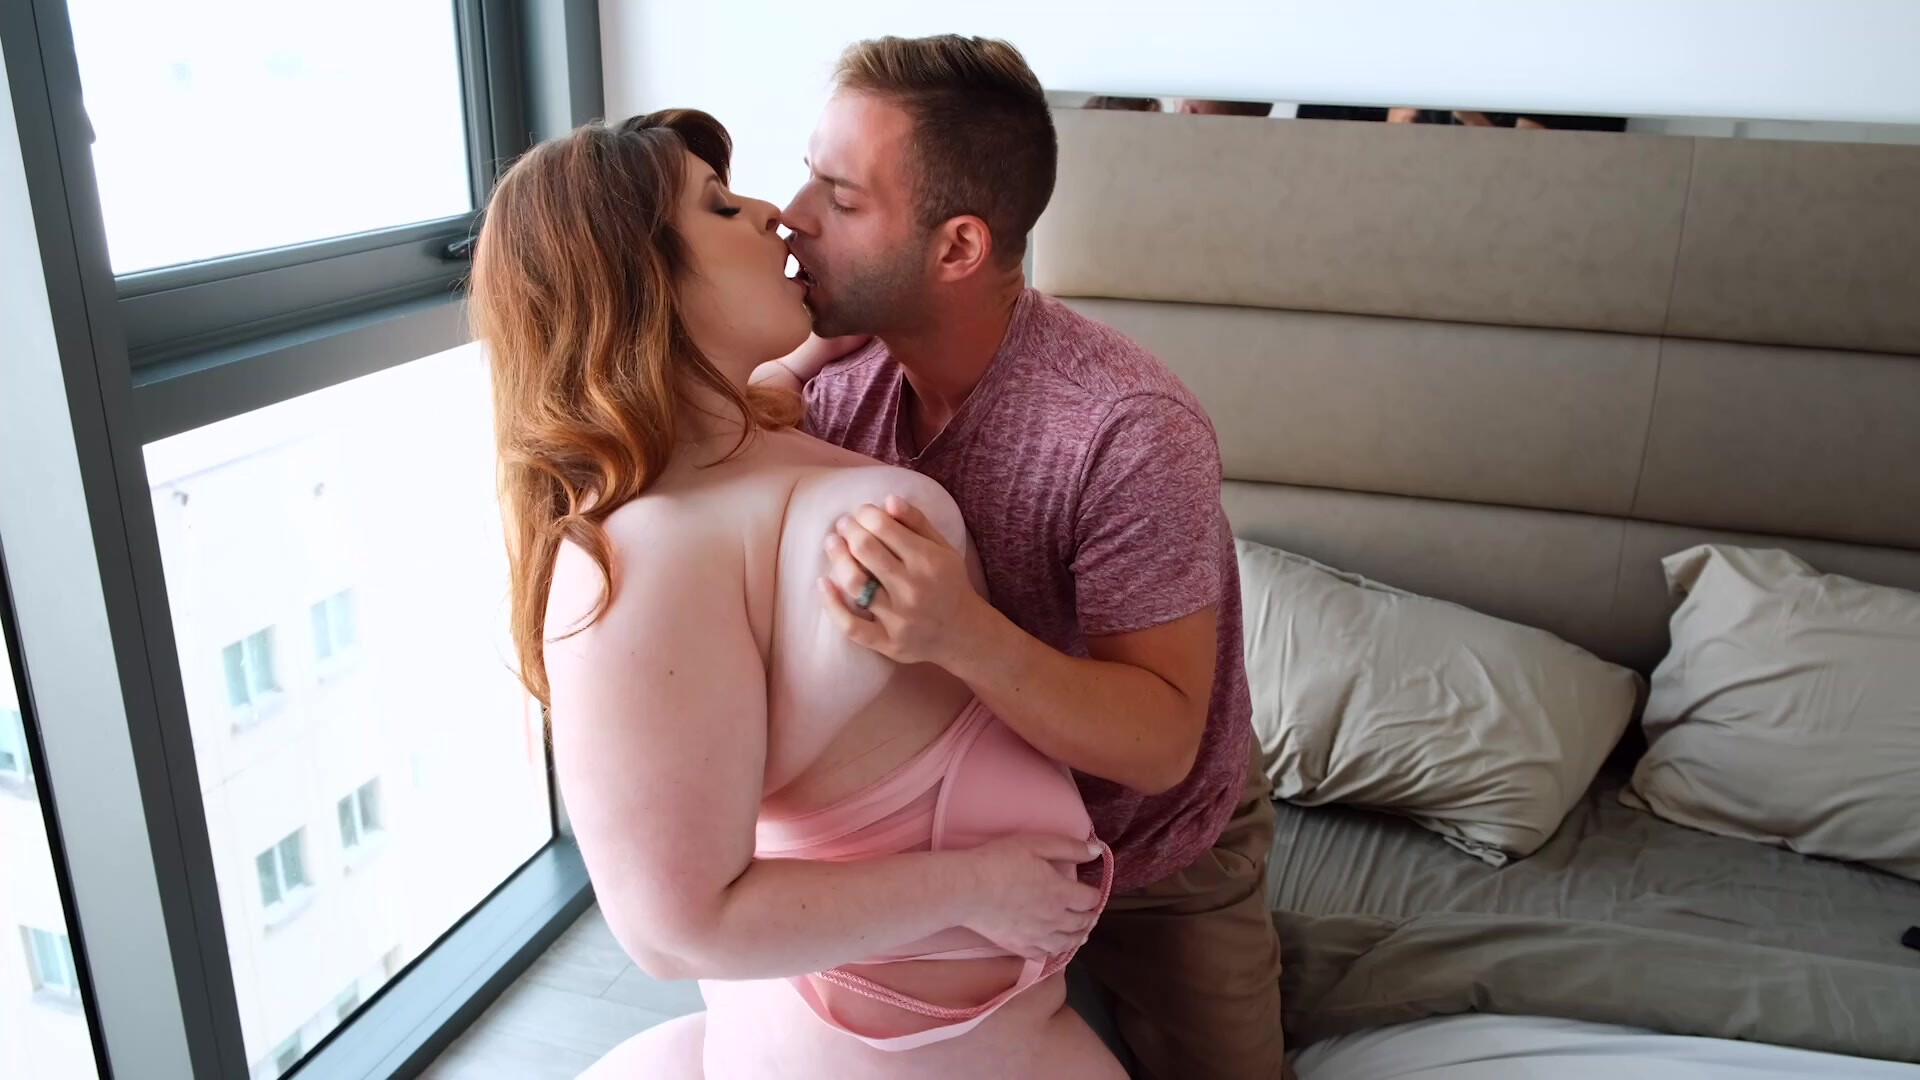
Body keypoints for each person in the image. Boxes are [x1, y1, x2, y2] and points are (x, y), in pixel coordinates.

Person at [472, 110, 1127, 1077]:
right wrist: (976, 889)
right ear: (643, 280)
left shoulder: (750, 431)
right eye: (719, 206)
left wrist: (821, 341)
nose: (772, 214)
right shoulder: (637, 558)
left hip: (971, 1031)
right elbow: (674, 932)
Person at [762, 35, 1287, 1080]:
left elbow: (1159, 745)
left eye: (840, 198)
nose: (791, 216)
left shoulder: (1126, 431)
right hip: (941, 849)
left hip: (1147, 851)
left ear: (958, 247)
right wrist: (775, 379)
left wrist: (961, 633)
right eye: (807, 177)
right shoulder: (826, 385)